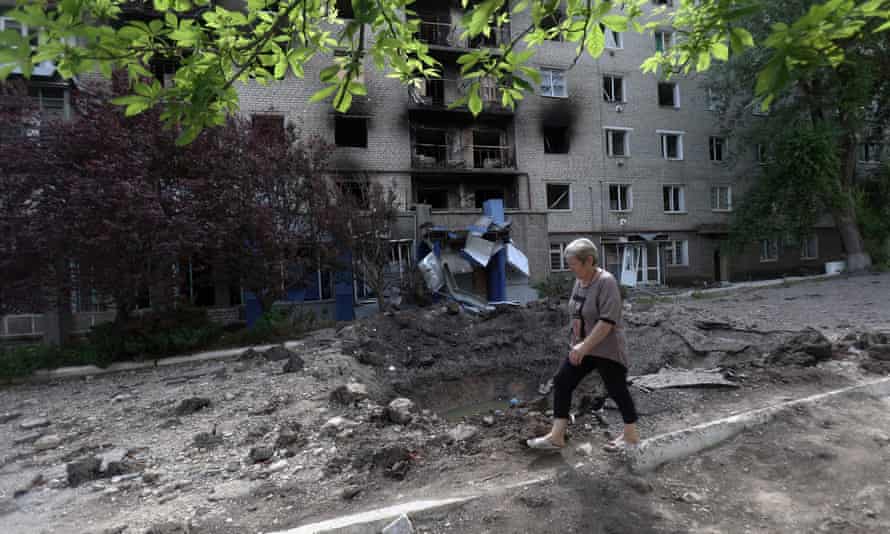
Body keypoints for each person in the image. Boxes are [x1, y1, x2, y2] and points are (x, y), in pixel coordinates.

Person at [527, 238, 640, 452]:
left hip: (608, 348)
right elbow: (577, 314)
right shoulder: (580, 281)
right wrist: (575, 344)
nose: (570, 268)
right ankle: (557, 436)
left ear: (589, 261)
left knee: (616, 390)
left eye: (573, 264)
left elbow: (607, 322)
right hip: (583, 347)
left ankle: (631, 436)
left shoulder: (606, 282)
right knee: (562, 381)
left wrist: (584, 346)